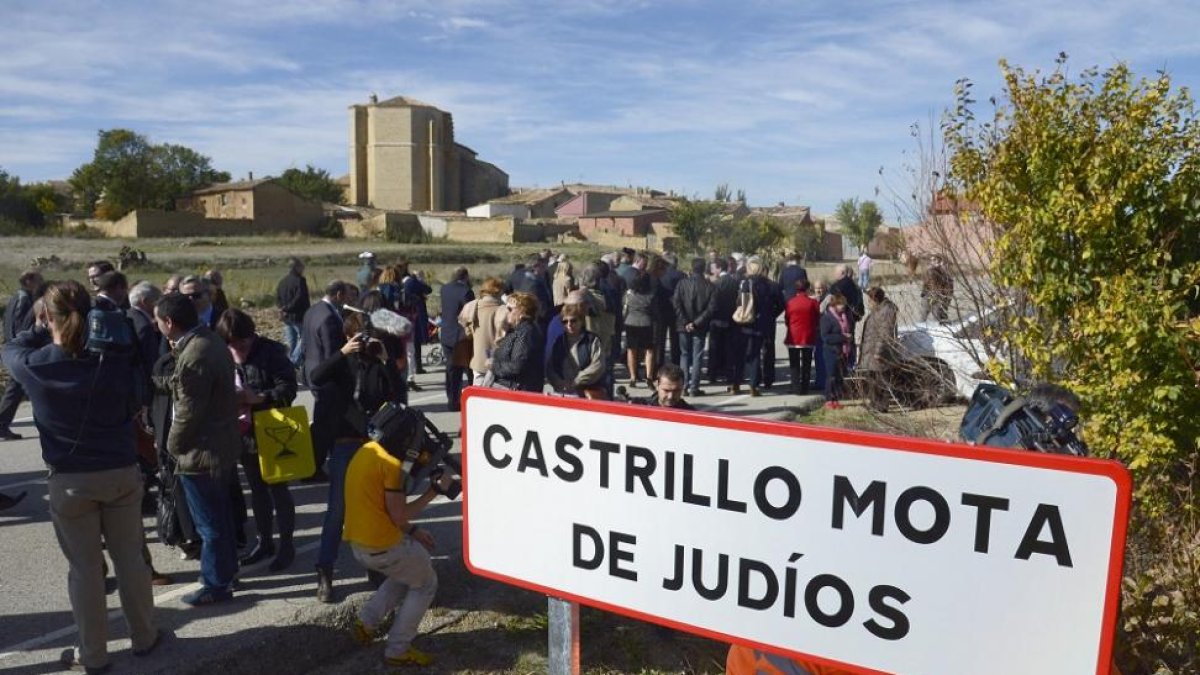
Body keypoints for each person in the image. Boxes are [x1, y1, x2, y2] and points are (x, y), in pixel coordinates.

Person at [3, 280, 161, 672]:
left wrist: (39, 326)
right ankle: (145, 636)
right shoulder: (113, 361)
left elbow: (10, 349)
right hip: (121, 471)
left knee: (86, 570)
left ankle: (94, 654)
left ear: (47, 318)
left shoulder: (37, 366)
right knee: (131, 562)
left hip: (71, 479)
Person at [310, 311, 405, 602]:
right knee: (337, 511)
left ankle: (374, 565)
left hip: (374, 445)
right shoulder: (341, 365)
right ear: (348, 337)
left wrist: (387, 360)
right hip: (345, 443)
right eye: (358, 338)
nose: (364, 344)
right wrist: (342, 352)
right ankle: (325, 571)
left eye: (367, 338)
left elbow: (399, 396)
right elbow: (315, 377)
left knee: (375, 508)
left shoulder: (377, 362)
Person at [155, 292, 241, 606]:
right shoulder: (209, 340)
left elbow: (188, 411)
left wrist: (171, 447)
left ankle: (215, 583)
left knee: (209, 524)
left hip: (201, 451)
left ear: (168, 322)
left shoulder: (194, 354)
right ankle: (227, 574)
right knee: (221, 517)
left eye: (158, 320)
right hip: (221, 445)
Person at [343, 435, 456, 667]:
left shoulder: (367, 450)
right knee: (426, 582)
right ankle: (398, 648)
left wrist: (413, 532)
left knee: (408, 573)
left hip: (359, 544)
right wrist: (434, 491)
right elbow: (399, 514)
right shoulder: (392, 465)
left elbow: (381, 506)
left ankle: (366, 622)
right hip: (383, 547)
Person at [216, 308, 299, 572]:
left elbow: (289, 388)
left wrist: (260, 397)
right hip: (242, 432)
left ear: (251, 335)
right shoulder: (221, 354)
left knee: (278, 489)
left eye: (242, 342)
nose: (238, 347)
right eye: (232, 343)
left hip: (271, 428)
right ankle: (265, 542)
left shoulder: (271, 352)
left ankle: (287, 545)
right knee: (257, 490)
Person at [303, 280, 352, 482]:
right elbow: (333, 353)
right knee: (326, 424)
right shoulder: (329, 318)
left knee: (322, 421)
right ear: (339, 294)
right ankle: (315, 466)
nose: (349, 298)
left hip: (312, 370)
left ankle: (314, 463)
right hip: (327, 377)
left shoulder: (313, 310)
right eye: (347, 294)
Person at [0, 269, 43, 440]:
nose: (41, 283)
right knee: (15, 389)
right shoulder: (24, 299)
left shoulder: (18, 297)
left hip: (16, 350)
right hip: (20, 351)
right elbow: (20, 326)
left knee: (17, 389)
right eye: (39, 279)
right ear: (29, 281)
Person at [731, 257, 777, 397]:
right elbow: (777, 304)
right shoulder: (768, 285)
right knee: (755, 355)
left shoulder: (744, 283)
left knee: (740, 355)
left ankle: (736, 384)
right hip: (760, 324)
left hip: (744, 323)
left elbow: (739, 301)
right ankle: (753, 385)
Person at [672, 258, 715, 397]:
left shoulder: (682, 283)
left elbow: (676, 303)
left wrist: (686, 322)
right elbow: (710, 309)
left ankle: (684, 386)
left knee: (684, 355)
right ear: (704, 269)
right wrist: (695, 323)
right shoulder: (710, 286)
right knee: (697, 356)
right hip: (699, 326)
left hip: (684, 325)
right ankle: (694, 387)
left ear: (692, 268)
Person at [547, 303, 606, 398]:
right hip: (563, 391)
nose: (569, 324)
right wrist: (559, 383)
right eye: (565, 322)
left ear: (581, 321)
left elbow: (598, 366)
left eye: (573, 321)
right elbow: (550, 367)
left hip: (587, 391)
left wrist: (577, 381)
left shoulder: (592, 340)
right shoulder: (558, 341)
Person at [489, 292, 544, 392]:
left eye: (510, 309)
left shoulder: (526, 332)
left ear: (522, 312)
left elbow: (517, 366)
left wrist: (493, 365)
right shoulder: (516, 330)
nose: (507, 312)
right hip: (511, 388)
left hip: (518, 391)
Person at [857, 287, 900, 412]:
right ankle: (874, 403)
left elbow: (885, 333)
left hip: (880, 353)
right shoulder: (877, 309)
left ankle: (881, 406)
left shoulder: (887, 311)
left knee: (881, 380)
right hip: (870, 350)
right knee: (872, 380)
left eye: (870, 300)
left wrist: (878, 352)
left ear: (875, 299)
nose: (868, 303)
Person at [458, 277, 506, 386]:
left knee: (479, 396)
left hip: (478, 360)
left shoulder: (471, 307)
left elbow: (468, 333)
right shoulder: (503, 309)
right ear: (498, 291)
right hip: (499, 362)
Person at [439, 267, 474, 412]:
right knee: (467, 369)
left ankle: (452, 400)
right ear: (465, 276)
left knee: (451, 370)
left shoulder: (444, 289)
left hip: (446, 332)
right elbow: (470, 313)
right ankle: (469, 399)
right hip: (460, 335)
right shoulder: (466, 291)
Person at [784, 280, 821, 395]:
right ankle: (805, 387)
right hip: (808, 335)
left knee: (794, 363)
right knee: (807, 363)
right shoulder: (813, 302)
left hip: (794, 335)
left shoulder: (791, 302)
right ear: (808, 288)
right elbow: (817, 318)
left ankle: (796, 387)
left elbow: (787, 319)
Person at [623, 271, 657, 388]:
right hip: (646, 323)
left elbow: (624, 307)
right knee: (649, 350)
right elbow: (654, 311)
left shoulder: (629, 295)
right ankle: (649, 376)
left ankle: (632, 377)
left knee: (631, 350)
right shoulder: (651, 296)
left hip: (630, 322)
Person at [275, 258, 310, 369]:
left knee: (292, 342)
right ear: (297, 267)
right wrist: (288, 308)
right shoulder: (300, 281)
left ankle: (290, 365)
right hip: (298, 316)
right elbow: (300, 298)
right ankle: (293, 362)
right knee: (305, 338)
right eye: (302, 267)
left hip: (286, 317)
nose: (303, 269)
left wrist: (282, 309)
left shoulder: (282, 281)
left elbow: (277, 298)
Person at [709, 258, 739, 385]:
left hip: (716, 319)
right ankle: (728, 374)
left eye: (713, 268)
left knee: (714, 347)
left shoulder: (716, 283)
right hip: (730, 318)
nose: (712, 270)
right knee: (728, 348)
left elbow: (713, 302)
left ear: (719, 268)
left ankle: (713, 373)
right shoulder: (734, 282)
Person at [819, 293, 852, 409]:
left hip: (842, 351)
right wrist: (843, 337)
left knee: (839, 376)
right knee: (831, 376)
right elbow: (825, 337)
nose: (842, 307)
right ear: (834, 304)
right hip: (831, 351)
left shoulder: (845, 316)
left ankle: (836, 398)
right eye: (839, 304)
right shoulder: (827, 318)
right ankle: (829, 399)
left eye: (843, 305)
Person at [828, 265, 864, 367]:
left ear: (842, 273)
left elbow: (830, 302)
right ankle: (851, 366)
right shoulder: (855, 287)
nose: (834, 275)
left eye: (836, 273)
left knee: (840, 342)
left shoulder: (837, 286)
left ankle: (841, 368)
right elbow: (860, 303)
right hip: (852, 318)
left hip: (839, 318)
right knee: (850, 341)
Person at [629, 363, 695, 410]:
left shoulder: (691, 414)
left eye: (676, 391)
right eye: (666, 390)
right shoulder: (640, 407)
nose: (670, 396)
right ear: (657, 385)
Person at [921, 255, 954, 323]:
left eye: (935, 260)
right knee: (926, 312)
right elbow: (927, 283)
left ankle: (944, 326)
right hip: (931, 295)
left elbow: (947, 286)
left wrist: (946, 297)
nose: (933, 262)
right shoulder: (931, 271)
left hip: (941, 296)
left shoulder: (943, 273)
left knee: (939, 312)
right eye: (932, 260)